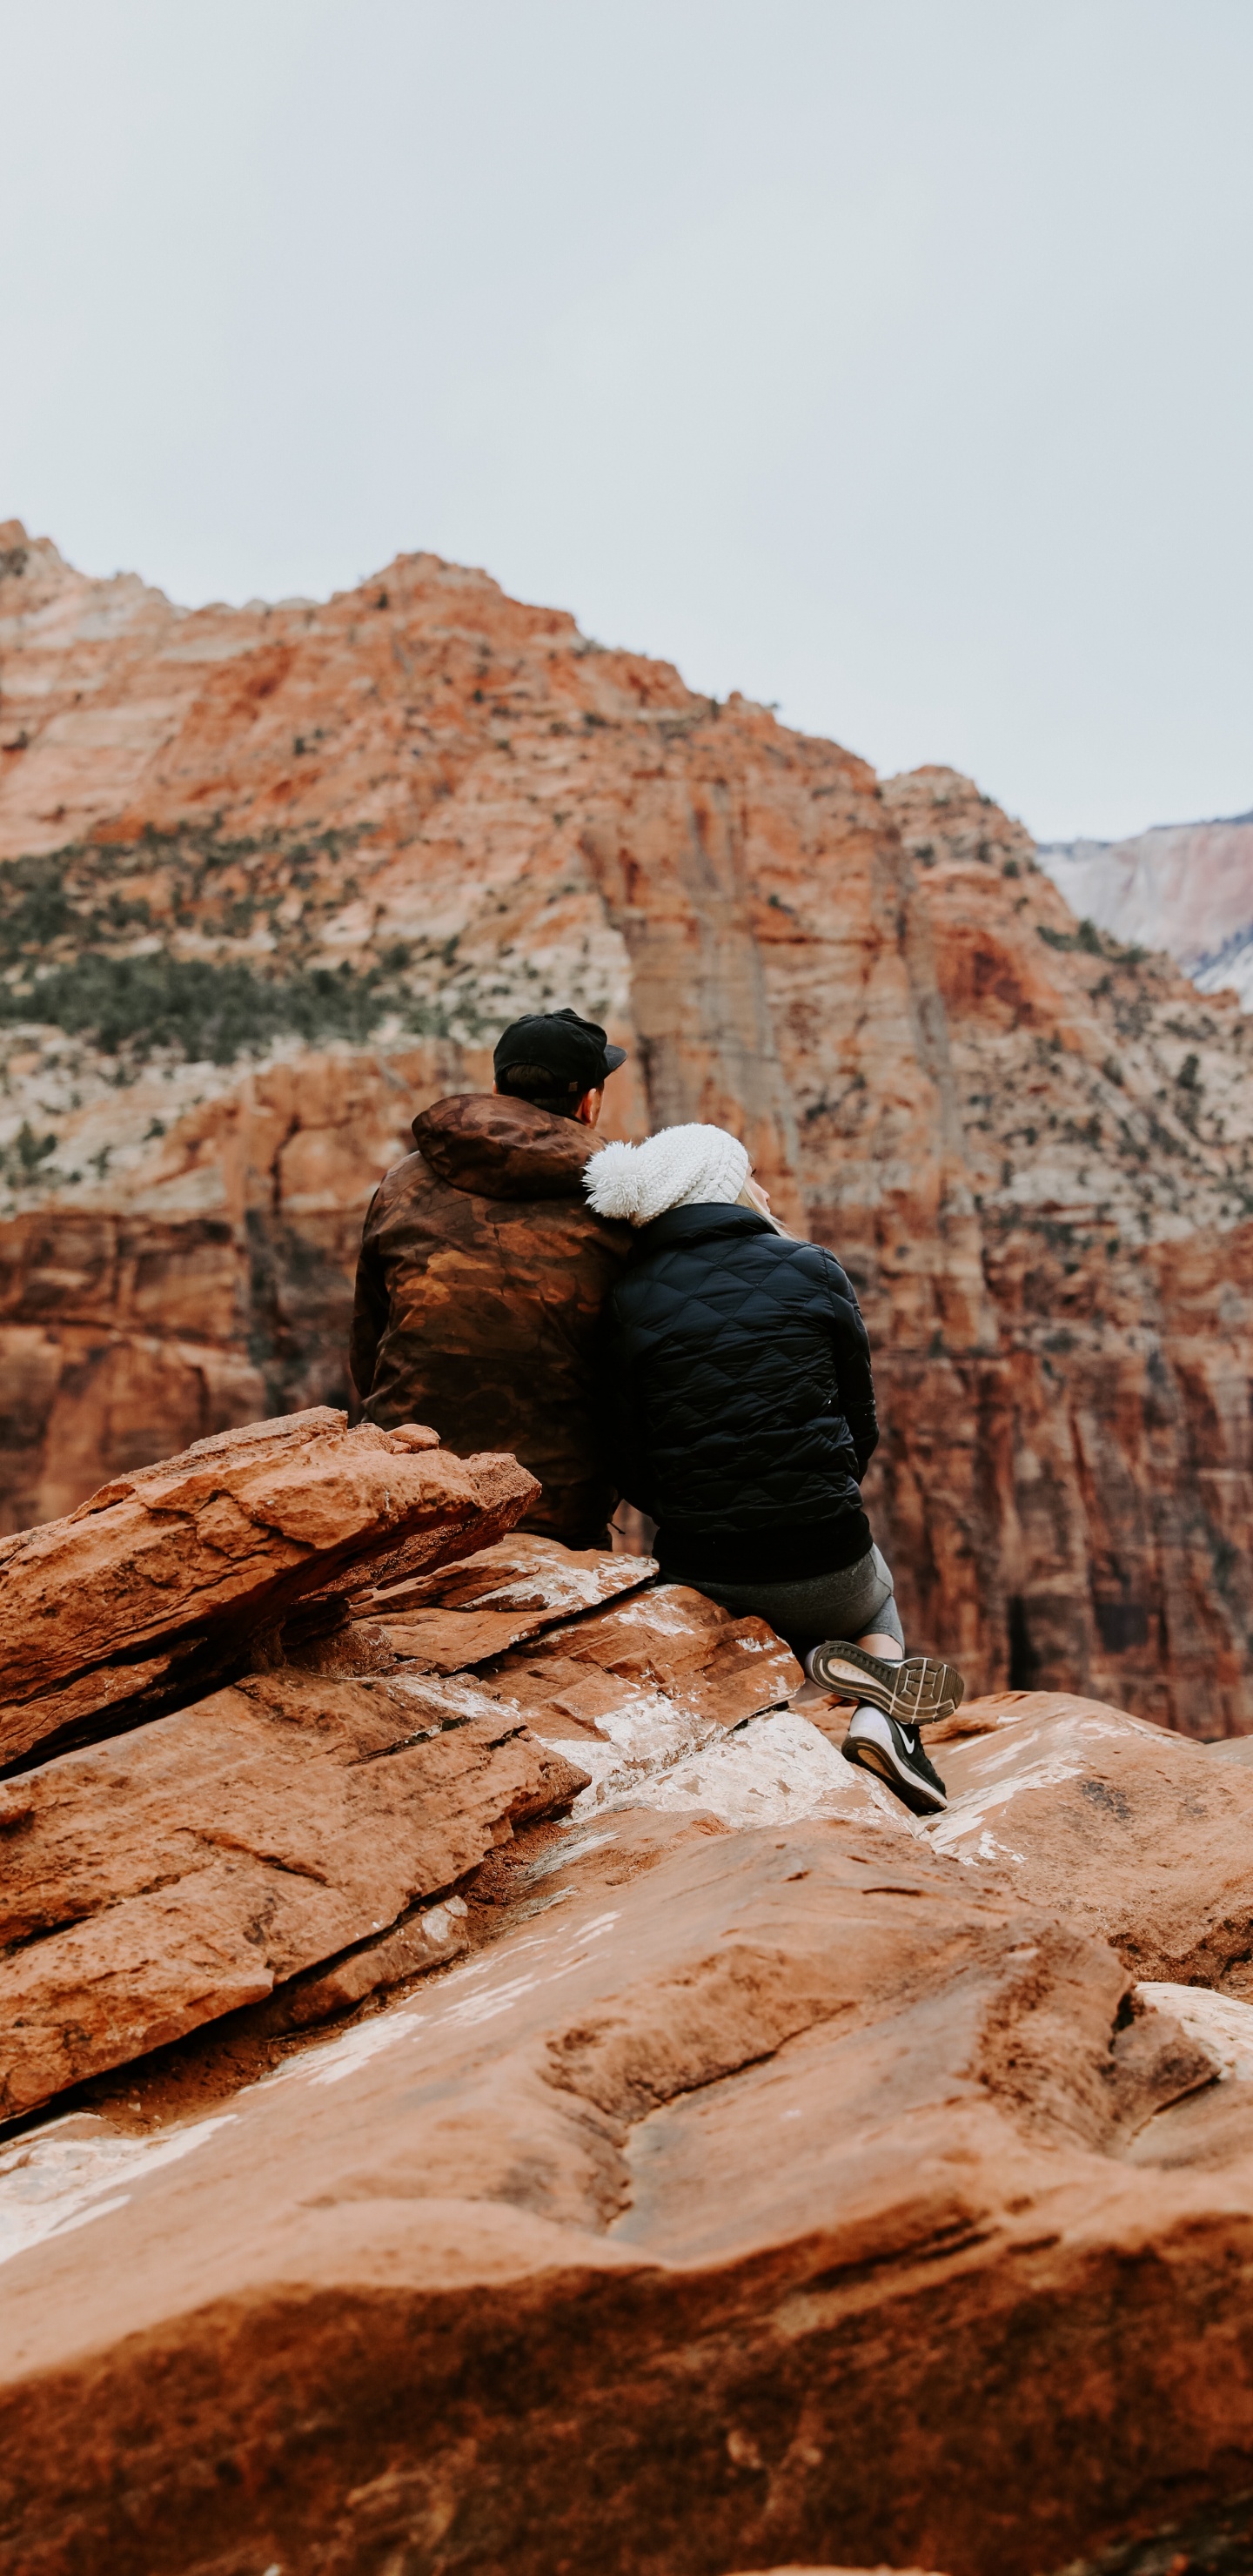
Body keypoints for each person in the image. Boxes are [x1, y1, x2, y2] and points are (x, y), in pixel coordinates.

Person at [585, 1121, 962, 1815]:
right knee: (875, 1602)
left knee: (734, 1611)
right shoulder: (812, 1266)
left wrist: (696, 1513)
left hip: (707, 1567)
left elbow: (625, 1452)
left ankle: (760, 1745)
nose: (760, 1184)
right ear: (725, 1186)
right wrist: (823, 1490)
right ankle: (885, 1719)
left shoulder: (626, 1298)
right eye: (746, 1172)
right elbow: (861, 1419)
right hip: (826, 1549)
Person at [351, 1008, 632, 1546]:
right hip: (557, 1511)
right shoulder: (620, 1196)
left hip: (406, 1493)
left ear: (499, 1087)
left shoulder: (403, 1181)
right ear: (589, 1103)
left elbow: (370, 1343)